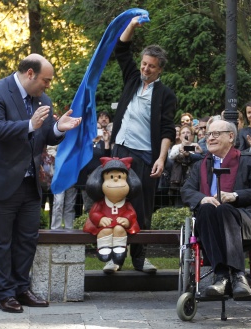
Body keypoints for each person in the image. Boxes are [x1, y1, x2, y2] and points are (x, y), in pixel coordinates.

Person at [0, 53, 82, 313]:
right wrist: (29, 124)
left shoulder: (44, 100)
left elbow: (45, 134)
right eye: (45, 80)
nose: (48, 86)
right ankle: (4, 294)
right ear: (30, 73)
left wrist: (59, 128)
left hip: (28, 183)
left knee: (27, 239)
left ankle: (20, 289)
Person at [109, 16, 176, 273]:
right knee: (116, 206)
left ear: (160, 69)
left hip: (146, 156)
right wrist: (132, 26)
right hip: (120, 151)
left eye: (151, 67)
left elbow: (168, 128)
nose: (145, 69)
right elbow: (121, 49)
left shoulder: (166, 95)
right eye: (144, 64)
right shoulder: (131, 80)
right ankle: (115, 259)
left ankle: (139, 259)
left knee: (141, 209)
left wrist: (161, 158)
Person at [180, 119, 251, 298]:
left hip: (242, 220)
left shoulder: (248, 161)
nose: (210, 138)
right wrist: (203, 198)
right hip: (208, 223)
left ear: (231, 137)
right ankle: (223, 276)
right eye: (208, 135)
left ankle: (236, 275)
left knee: (224, 209)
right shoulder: (200, 165)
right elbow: (186, 191)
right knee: (206, 209)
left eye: (215, 134)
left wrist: (234, 196)